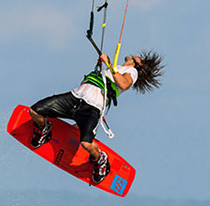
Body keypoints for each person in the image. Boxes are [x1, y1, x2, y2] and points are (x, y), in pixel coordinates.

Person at [29, 50, 164, 184]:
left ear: (139, 64)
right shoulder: (115, 69)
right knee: (35, 111)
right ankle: (44, 129)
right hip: (76, 97)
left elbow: (123, 84)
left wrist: (109, 65)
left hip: (91, 108)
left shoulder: (132, 72)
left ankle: (100, 160)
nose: (136, 55)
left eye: (140, 58)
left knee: (86, 144)